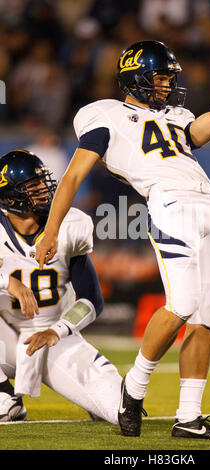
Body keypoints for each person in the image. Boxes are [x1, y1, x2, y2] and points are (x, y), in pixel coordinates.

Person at [36, 31, 210, 439]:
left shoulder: (175, 117)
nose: (169, 85)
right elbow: (73, 176)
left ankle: (188, 417)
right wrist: (52, 230)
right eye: (161, 78)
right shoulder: (107, 115)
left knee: (208, 316)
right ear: (136, 77)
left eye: (170, 78)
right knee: (182, 304)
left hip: (209, 205)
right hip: (170, 204)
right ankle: (132, 390)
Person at [0, 149, 122, 423]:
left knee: (119, 410)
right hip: (4, 341)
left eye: (44, 183)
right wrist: (9, 282)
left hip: (54, 339)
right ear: (10, 196)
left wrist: (58, 330)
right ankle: (4, 397)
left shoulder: (71, 225)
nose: (44, 191)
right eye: (33, 187)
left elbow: (92, 300)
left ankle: (93, 396)